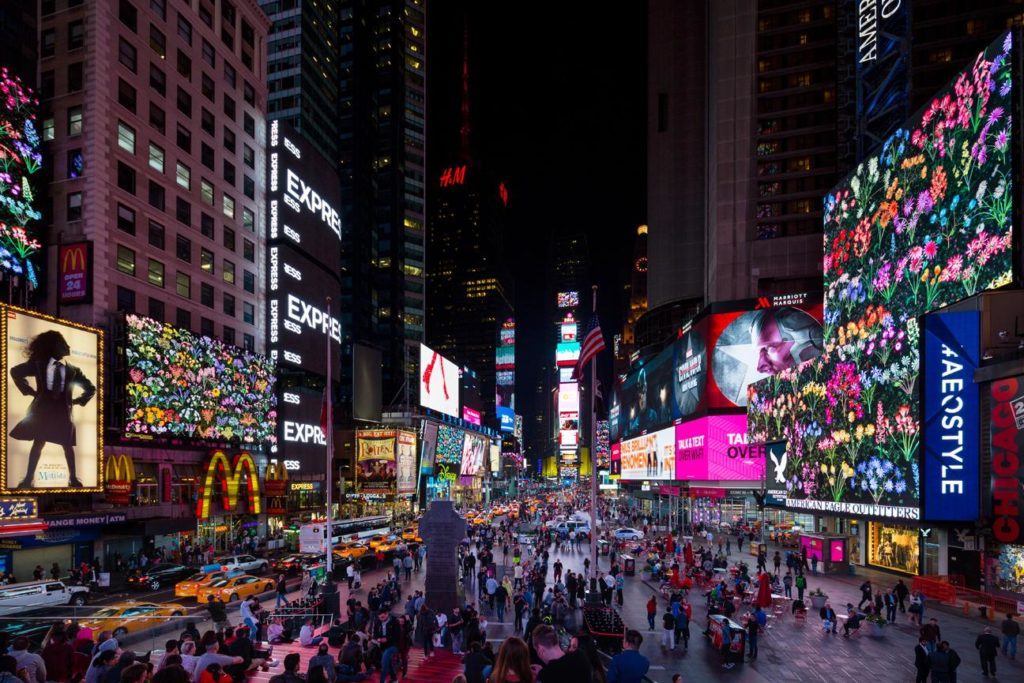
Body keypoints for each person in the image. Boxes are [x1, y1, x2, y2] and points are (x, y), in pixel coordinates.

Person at [10, 330, 97, 489]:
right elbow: (15, 372)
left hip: (62, 410)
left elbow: (91, 388)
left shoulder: (73, 370)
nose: (68, 346)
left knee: (67, 445)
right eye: (63, 343)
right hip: (43, 409)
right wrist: (29, 391)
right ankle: (28, 479)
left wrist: (78, 401)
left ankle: (73, 479)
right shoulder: (39, 364)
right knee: (38, 442)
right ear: (53, 347)